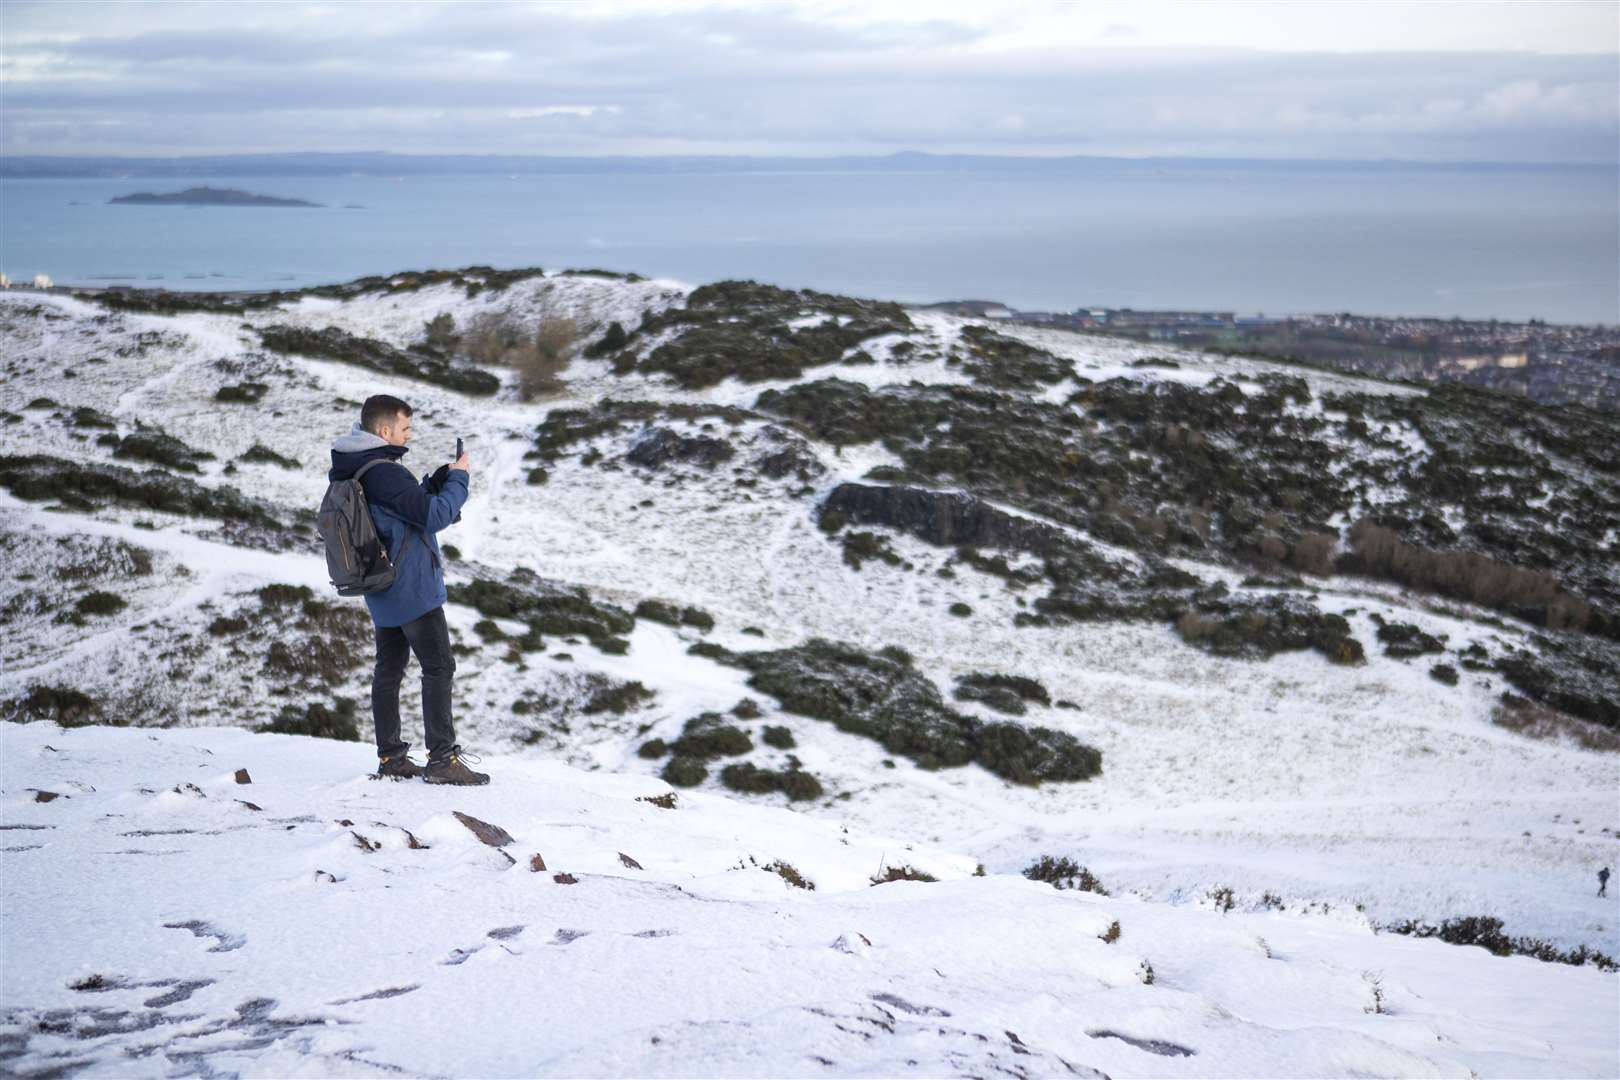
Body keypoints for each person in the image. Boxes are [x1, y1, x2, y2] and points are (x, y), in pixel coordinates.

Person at [328, 394, 487, 785]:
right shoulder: (384, 472)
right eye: (405, 428)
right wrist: (460, 480)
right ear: (384, 431)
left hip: (382, 586)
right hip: (411, 587)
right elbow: (433, 516)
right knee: (438, 667)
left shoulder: (357, 466)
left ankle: (391, 757)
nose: (408, 434)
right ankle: (442, 760)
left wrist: (434, 481)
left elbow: (402, 508)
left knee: (389, 669)